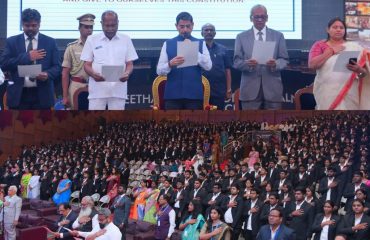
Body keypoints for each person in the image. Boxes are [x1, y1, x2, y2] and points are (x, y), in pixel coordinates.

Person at [0, 8, 61, 109]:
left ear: (39, 24)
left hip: (42, 94)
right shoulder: (12, 41)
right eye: (27, 26)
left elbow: (58, 67)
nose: (31, 28)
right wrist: (27, 56)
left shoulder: (50, 42)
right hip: (18, 96)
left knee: (43, 125)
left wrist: (47, 74)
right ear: (22, 24)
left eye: (34, 25)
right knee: (17, 125)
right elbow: (4, 64)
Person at [233, 4, 289, 110]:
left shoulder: (278, 36)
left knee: (274, 125)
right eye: (256, 17)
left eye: (262, 17)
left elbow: (284, 60)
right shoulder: (241, 37)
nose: (259, 19)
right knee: (250, 124)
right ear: (251, 18)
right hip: (250, 88)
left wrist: (275, 64)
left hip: (273, 88)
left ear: (267, 18)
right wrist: (247, 64)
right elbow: (236, 61)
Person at [80, 10, 138, 110]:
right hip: (97, 90)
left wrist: (127, 73)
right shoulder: (92, 39)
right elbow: (87, 64)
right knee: (94, 122)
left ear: (118, 23)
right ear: (101, 24)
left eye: (113, 25)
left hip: (118, 89)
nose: (110, 28)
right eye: (107, 25)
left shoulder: (126, 39)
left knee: (117, 122)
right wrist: (93, 74)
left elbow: (129, 63)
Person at [308, 17, 370, 110]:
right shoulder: (320, 45)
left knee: (349, 121)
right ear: (328, 30)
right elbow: (312, 65)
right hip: (326, 91)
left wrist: (359, 70)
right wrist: (331, 51)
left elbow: (364, 75)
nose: (338, 30)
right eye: (335, 27)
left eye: (341, 28)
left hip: (350, 91)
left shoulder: (354, 47)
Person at [156, 12, 212, 110]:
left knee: (194, 125)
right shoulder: (168, 43)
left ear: (193, 25)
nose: (185, 29)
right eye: (182, 26)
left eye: (188, 26)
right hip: (172, 96)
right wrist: (169, 64)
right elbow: (159, 70)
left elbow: (208, 66)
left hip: (194, 96)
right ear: (176, 26)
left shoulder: (201, 43)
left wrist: (194, 50)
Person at [62, 13, 95, 109]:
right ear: (79, 28)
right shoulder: (71, 47)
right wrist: (64, 96)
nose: (89, 30)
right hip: (76, 85)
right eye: (86, 27)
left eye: (91, 27)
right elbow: (65, 73)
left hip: (95, 85)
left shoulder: (98, 46)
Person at [201, 23, 232, 110]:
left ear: (215, 33)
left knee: (217, 118)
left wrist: (228, 89)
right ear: (202, 33)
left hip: (219, 90)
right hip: (201, 90)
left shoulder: (223, 49)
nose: (209, 32)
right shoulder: (197, 49)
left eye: (211, 30)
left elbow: (227, 70)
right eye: (206, 30)